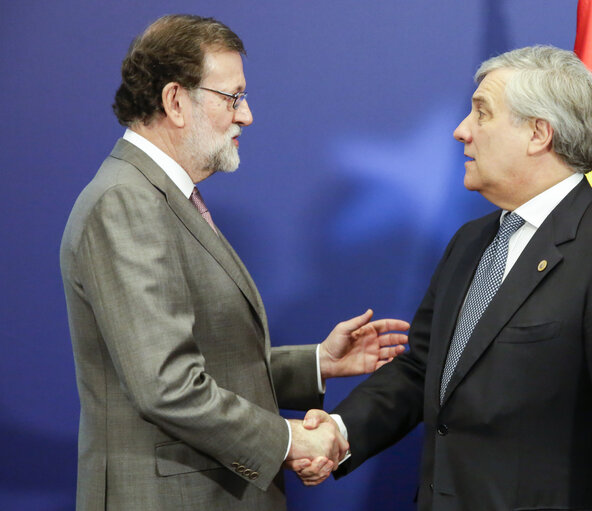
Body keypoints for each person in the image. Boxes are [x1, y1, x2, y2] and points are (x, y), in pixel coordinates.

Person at [289, 45, 592, 510]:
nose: (461, 131)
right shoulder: (471, 241)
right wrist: (339, 431)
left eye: (482, 114)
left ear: (539, 133)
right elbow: (422, 369)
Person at [60, 14, 408, 511]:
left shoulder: (161, 197)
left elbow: (202, 359)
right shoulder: (127, 204)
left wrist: (316, 364)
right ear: (175, 101)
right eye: (233, 97)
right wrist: (290, 440)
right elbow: (167, 386)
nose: (246, 116)